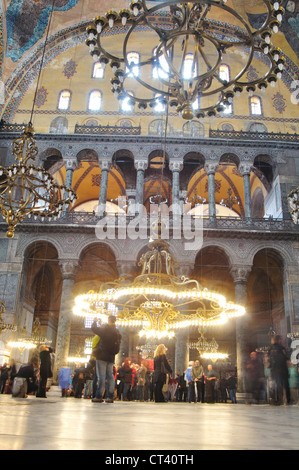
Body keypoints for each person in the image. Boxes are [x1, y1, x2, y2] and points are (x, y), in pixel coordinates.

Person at [91, 315, 122, 403]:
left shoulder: (106, 330)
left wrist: (95, 321)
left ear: (109, 320)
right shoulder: (117, 332)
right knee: (110, 377)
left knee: (101, 377)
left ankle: (99, 396)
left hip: (102, 356)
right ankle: (110, 397)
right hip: (111, 357)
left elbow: (94, 329)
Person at [268, 335, 290, 405]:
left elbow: (269, 359)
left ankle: (277, 399)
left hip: (275, 370)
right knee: (285, 385)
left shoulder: (271, 348)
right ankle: (287, 400)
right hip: (282, 369)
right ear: (279, 340)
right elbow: (285, 357)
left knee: (277, 385)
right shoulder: (282, 348)